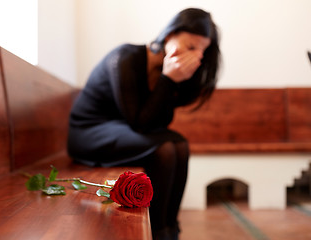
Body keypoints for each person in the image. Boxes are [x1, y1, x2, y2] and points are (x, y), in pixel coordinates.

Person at [67, 8, 220, 240]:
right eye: (191, 46)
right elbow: (139, 123)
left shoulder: (169, 71)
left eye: (202, 51)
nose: (197, 57)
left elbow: (159, 123)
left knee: (179, 143)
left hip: (123, 131)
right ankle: (158, 232)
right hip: (89, 131)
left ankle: (170, 228)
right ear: (170, 34)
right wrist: (168, 80)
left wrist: (171, 82)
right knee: (165, 147)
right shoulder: (126, 57)